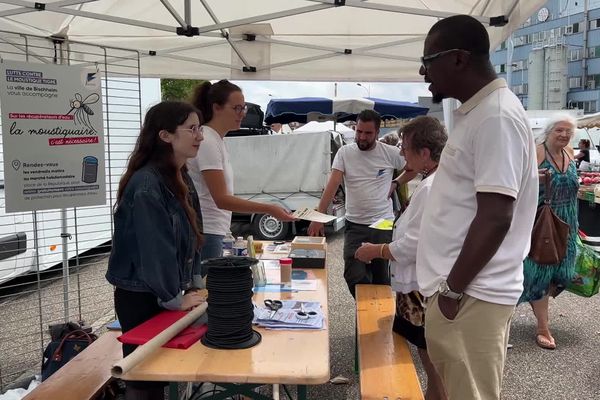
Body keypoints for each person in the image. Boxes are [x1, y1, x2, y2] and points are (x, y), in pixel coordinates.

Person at [415, 15, 538, 400]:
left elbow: (496, 214)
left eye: (428, 60)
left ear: (458, 59)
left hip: (470, 295)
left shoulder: (496, 116)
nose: (423, 72)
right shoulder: (479, 112)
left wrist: (452, 291)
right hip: (463, 293)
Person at [106, 101, 206, 400]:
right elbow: (155, 250)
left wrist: (195, 281)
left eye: (200, 128)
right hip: (144, 297)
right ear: (165, 136)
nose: (199, 135)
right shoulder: (147, 184)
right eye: (191, 128)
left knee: (166, 373)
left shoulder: (181, 175)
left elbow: (193, 234)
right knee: (146, 379)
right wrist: (175, 298)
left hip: (167, 292)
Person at [355, 116, 447, 400]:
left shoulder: (432, 187)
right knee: (427, 353)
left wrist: (377, 250)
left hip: (421, 286)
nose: (402, 154)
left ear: (424, 154)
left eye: (406, 148)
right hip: (421, 281)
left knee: (429, 354)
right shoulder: (434, 180)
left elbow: (414, 244)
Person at [188, 80, 295, 269]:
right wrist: (269, 208)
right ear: (217, 108)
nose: (242, 114)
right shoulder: (208, 141)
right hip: (207, 231)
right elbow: (222, 199)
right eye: (237, 108)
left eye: (243, 108)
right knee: (206, 290)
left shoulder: (216, 140)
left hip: (213, 230)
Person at [307, 109, 409, 298]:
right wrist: (319, 217)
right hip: (355, 224)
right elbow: (332, 184)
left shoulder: (390, 153)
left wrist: (397, 182)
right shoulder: (345, 153)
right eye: (359, 131)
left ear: (377, 133)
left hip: (383, 223)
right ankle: (368, 307)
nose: (362, 137)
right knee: (353, 273)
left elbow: (412, 167)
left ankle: (377, 319)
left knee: (380, 275)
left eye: (368, 133)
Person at [519, 114, 579, 350]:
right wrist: (538, 178)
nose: (564, 135)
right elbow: (520, 183)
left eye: (568, 132)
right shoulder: (538, 152)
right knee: (540, 273)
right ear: (549, 131)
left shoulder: (570, 153)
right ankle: (543, 326)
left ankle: (536, 298)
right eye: (559, 131)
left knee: (565, 274)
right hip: (543, 221)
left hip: (569, 222)